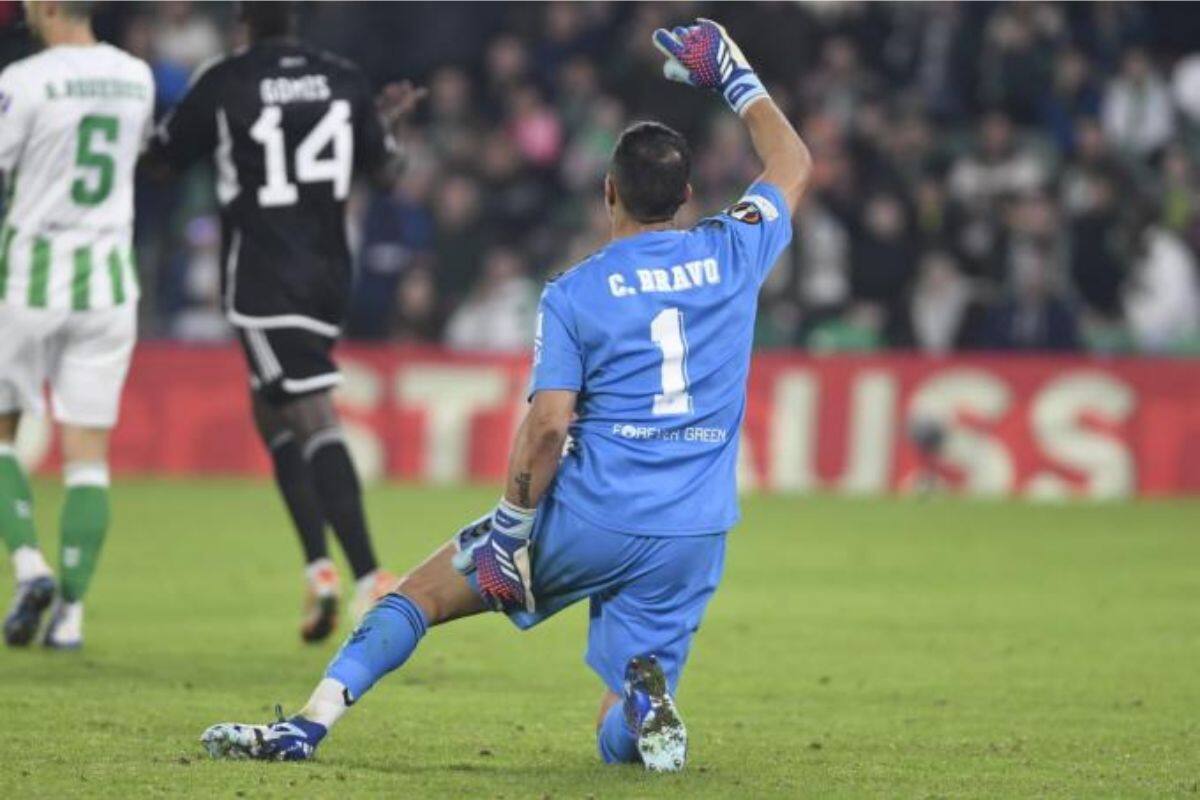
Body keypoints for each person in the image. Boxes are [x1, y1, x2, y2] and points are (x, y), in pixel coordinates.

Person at [199, 18, 811, 772]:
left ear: (608, 191)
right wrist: (732, 72)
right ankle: (644, 698)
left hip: (592, 513)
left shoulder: (575, 293)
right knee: (617, 721)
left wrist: (512, 532)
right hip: (694, 530)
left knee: (417, 596)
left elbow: (549, 427)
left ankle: (307, 726)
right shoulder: (733, 250)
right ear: (687, 195)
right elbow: (792, 160)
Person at [148, 2, 424, 641]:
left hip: (264, 277)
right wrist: (381, 124)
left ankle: (369, 578)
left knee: (310, 413)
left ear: (243, 18)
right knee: (271, 404)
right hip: (328, 276)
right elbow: (388, 173)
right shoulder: (343, 78)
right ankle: (319, 570)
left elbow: (162, 160)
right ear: (295, 18)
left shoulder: (228, 80)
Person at [0, 1, 153, 649]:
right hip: (110, 285)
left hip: (31, 279)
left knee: (2, 435)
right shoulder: (137, 77)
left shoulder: (25, 80)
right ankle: (70, 617)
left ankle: (29, 565)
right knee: (88, 457)